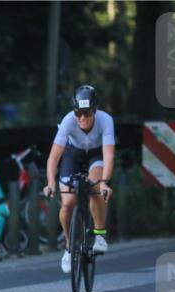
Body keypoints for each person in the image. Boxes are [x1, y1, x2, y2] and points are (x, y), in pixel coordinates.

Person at [42, 84, 115, 274]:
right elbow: (54, 157)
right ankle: (69, 246)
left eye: (87, 113)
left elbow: (108, 155)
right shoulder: (68, 121)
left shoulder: (105, 120)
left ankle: (99, 235)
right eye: (78, 113)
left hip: (96, 155)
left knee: (95, 187)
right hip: (72, 155)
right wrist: (50, 182)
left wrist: (105, 182)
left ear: (95, 110)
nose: (82, 117)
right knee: (68, 203)